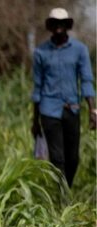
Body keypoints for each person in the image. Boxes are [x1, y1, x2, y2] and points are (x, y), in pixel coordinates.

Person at [31, 8, 96, 188]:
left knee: (72, 158)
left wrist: (92, 110)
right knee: (57, 158)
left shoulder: (79, 50)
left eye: (61, 24)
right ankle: (62, 197)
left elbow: (86, 81)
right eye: (54, 24)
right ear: (50, 27)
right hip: (48, 110)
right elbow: (37, 88)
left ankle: (66, 187)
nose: (58, 27)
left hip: (72, 109)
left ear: (67, 26)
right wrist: (35, 121)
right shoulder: (40, 53)